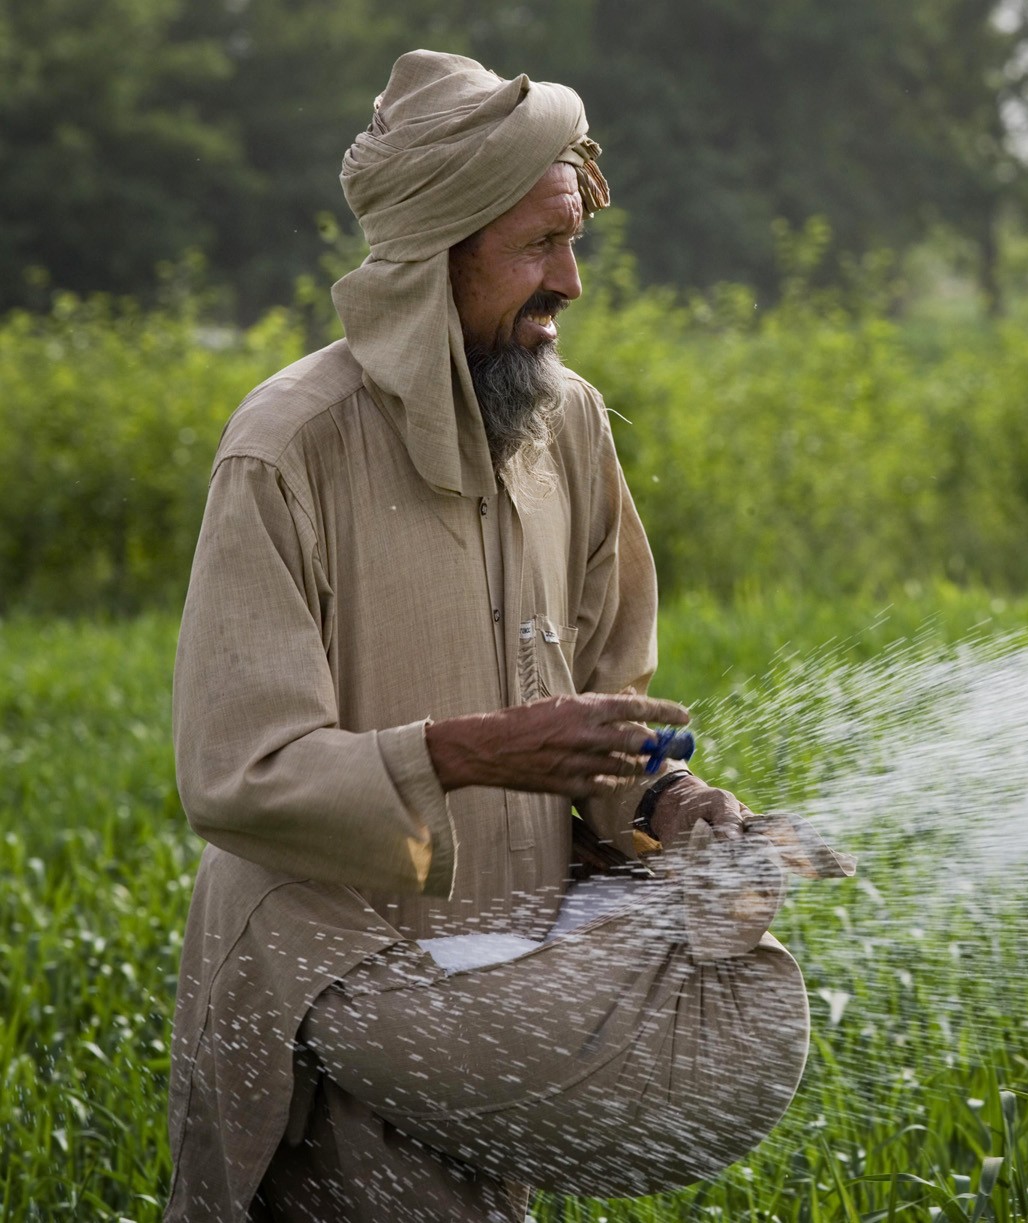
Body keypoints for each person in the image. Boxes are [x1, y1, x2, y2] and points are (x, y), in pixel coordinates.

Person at [163, 50, 849, 1222]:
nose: (572, 281)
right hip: (329, 993)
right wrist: (468, 752)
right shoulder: (288, 448)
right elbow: (236, 771)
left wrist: (665, 803)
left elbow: (605, 703)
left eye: (576, 240)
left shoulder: (563, 420)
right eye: (539, 246)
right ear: (437, 255)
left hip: (503, 999)